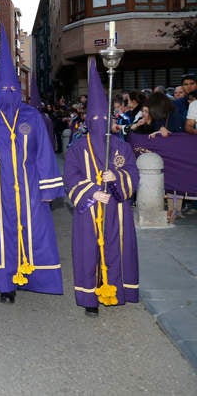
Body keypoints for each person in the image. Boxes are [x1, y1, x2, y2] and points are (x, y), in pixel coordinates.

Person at [0, 48, 64, 304]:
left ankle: (36, 278)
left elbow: (44, 153)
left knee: (35, 231)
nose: (9, 94)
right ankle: (6, 285)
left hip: (29, 184)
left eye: (13, 90)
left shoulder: (33, 117)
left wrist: (47, 190)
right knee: (1, 232)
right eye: (4, 90)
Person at [65, 59, 139, 317]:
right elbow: (70, 177)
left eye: (103, 117)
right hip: (90, 208)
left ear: (110, 119)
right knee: (89, 251)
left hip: (117, 209)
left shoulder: (121, 146)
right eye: (94, 117)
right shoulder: (77, 147)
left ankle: (116, 290)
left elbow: (133, 172)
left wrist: (116, 177)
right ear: (87, 119)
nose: (99, 121)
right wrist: (91, 191)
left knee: (115, 247)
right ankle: (89, 298)